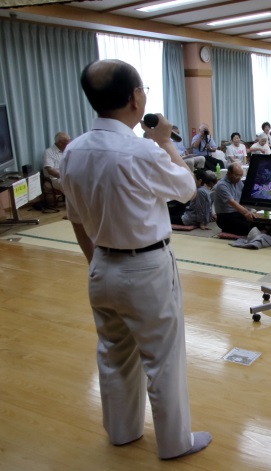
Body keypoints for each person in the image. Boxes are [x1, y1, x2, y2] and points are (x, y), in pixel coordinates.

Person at [59, 59, 210, 460]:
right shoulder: (140, 149)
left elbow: (75, 220)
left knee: (113, 354)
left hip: (101, 263)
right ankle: (175, 442)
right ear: (135, 97)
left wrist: (96, 262)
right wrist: (165, 140)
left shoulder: (72, 151)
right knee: (162, 359)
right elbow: (188, 190)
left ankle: (122, 432)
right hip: (145, 267)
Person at [213, 162, 255, 235]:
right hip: (225, 216)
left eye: (241, 176)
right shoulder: (221, 185)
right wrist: (246, 212)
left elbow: (245, 196)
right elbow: (232, 202)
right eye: (236, 175)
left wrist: (252, 210)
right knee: (248, 229)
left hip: (238, 213)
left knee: (257, 225)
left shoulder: (238, 182)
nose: (239, 178)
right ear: (229, 173)